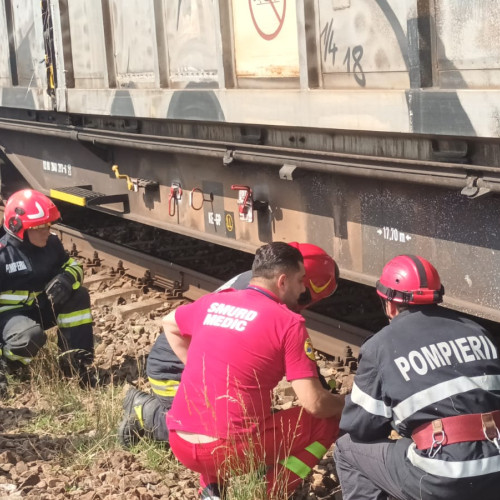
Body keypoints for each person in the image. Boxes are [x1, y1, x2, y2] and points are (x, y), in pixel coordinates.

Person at [163, 242, 344, 499]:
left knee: (220, 413)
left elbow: (168, 323)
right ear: (283, 281)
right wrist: (344, 403)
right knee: (327, 420)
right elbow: (315, 404)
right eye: (301, 281)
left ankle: (212, 488)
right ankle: (267, 492)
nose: (304, 288)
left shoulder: (214, 302)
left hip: (180, 442)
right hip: (227, 451)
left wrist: (200, 367)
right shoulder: (289, 323)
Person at [118, 243, 339, 449]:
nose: (303, 298)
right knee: (211, 435)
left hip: (182, 358)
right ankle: (146, 412)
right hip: (171, 370)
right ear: (288, 280)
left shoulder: (259, 283)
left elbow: (297, 357)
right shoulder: (268, 302)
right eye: (304, 290)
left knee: (244, 422)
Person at [334, 254, 500, 500]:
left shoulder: (380, 345)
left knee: (347, 449)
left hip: (443, 476)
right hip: (495, 465)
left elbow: (359, 426)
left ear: (389, 304)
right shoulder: (478, 331)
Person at [0, 189, 94, 395]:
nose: (47, 231)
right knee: (30, 336)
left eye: (48, 224)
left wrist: (67, 278)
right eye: (40, 226)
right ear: (18, 227)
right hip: (8, 319)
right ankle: (8, 365)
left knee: (78, 295)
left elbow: (74, 266)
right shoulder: (3, 255)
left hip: (41, 307)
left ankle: (74, 362)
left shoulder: (50, 244)